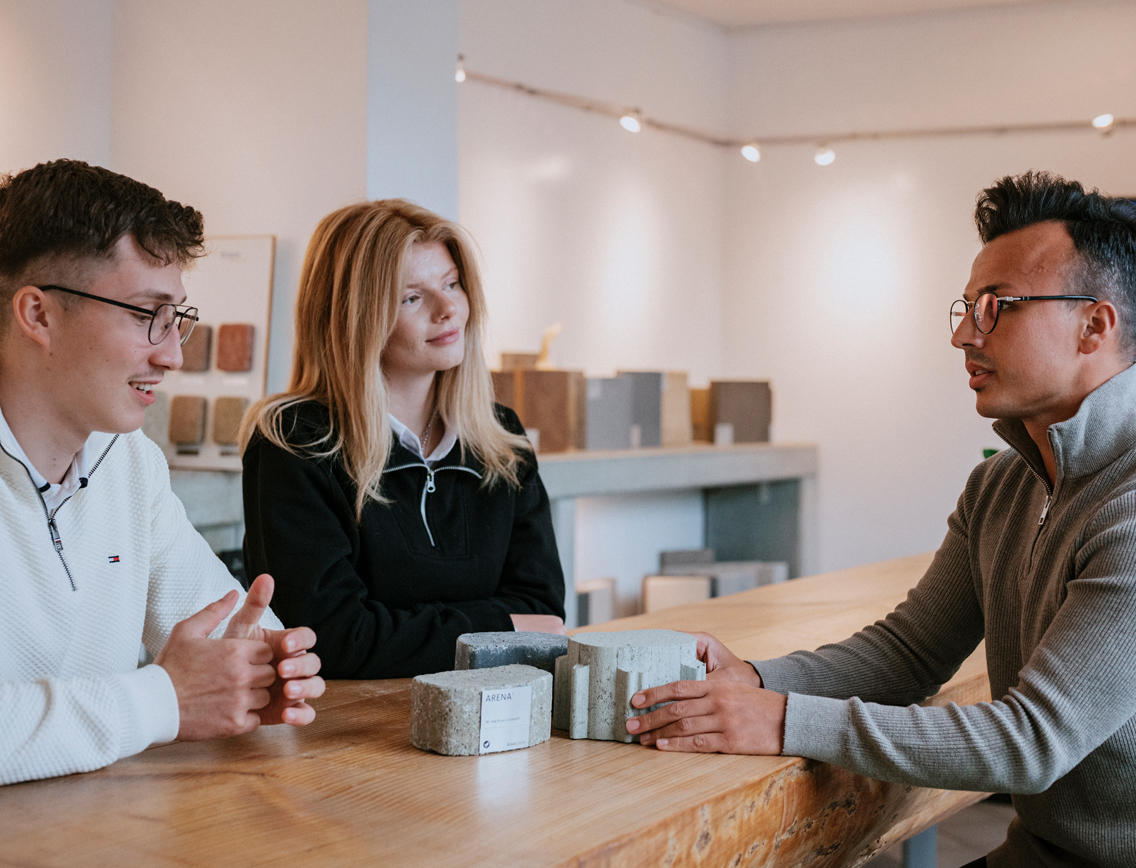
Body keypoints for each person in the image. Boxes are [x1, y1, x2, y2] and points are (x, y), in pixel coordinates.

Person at [627, 172, 1136, 867]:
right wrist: (755, 679)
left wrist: (782, 720)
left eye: (997, 307)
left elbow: (1031, 742)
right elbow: (908, 653)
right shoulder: (1000, 485)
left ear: (1094, 326)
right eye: (966, 307)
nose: (963, 333)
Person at [0, 159, 325, 787]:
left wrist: (265, 667)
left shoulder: (130, 460)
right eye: (145, 313)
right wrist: (164, 699)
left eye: (177, 318)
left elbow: (224, 620)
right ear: (38, 315)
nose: (173, 354)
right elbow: (174, 695)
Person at [240, 198, 566, 679]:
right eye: (412, 298)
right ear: (353, 317)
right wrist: (502, 625)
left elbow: (544, 613)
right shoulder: (294, 441)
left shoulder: (501, 437)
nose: (448, 309)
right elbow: (330, 636)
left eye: (451, 284)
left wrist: (399, 631)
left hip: (494, 709)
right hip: (349, 723)